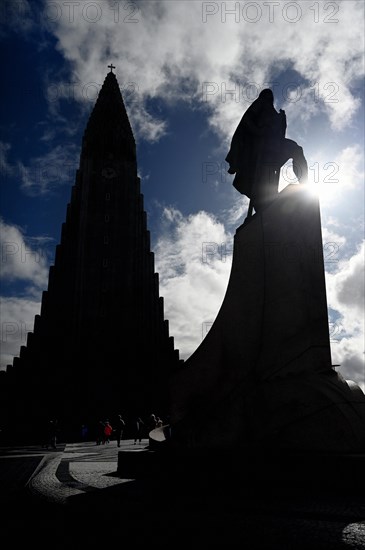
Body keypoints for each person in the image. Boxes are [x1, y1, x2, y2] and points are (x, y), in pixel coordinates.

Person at [225, 88, 308, 214]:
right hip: (263, 150)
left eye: (270, 95)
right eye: (267, 94)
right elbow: (247, 121)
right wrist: (258, 131)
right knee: (267, 184)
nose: (269, 97)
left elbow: (280, 133)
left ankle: (304, 183)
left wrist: (282, 120)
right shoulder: (259, 103)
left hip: (276, 146)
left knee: (296, 150)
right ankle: (264, 208)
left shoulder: (275, 112)